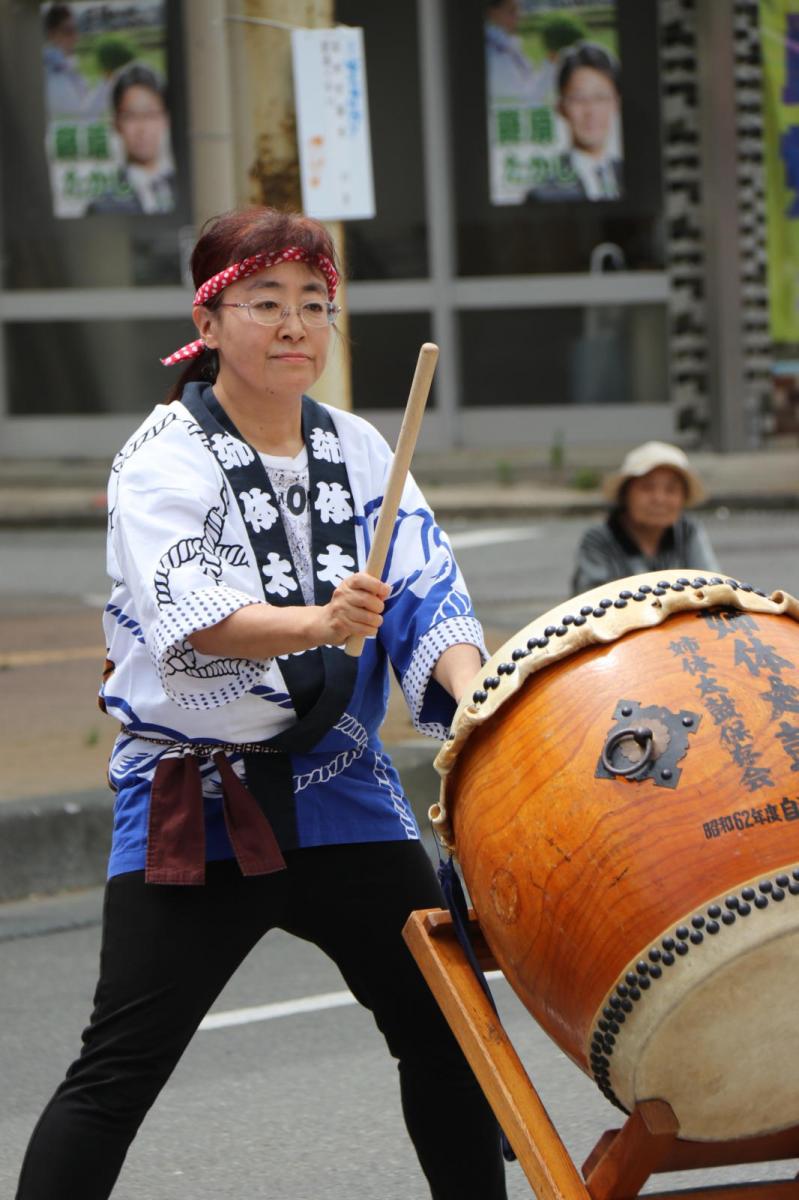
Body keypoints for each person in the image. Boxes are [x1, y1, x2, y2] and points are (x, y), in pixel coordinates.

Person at [15, 208, 506, 1200]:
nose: (295, 327)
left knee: (449, 1039)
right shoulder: (164, 453)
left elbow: (424, 593)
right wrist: (320, 622)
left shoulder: (363, 449)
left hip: (345, 791)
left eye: (315, 305)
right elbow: (189, 615)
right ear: (210, 315)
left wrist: (478, 692)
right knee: (119, 1072)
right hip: (202, 798)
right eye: (266, 303)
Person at [571, 441, 720, 594]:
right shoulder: (599, 539)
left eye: (671, 490)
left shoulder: (687, 531)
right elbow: (589, 600)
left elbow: (712, 587)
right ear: (625, 494)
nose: (659, 499)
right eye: (647, 487)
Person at [528, 41, 623, 201]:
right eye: (579, 99)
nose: (591, 111)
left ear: (616, 104)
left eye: (600, 98)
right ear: (560, 107)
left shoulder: (634, 175)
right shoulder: (544, 194)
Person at [88, 63, 175, 214]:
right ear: (116, 123)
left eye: (151, 115)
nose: (142, 128)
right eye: (131, 116)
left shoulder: (188, 190)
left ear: (166, 119)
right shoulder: (102, 206)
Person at [42, 3, 90, 117]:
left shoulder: (67, 63)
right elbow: (77, 111)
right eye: (68, 31)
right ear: (51, 34)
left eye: (76, 29)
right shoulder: (52, 70)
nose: (75, 37)